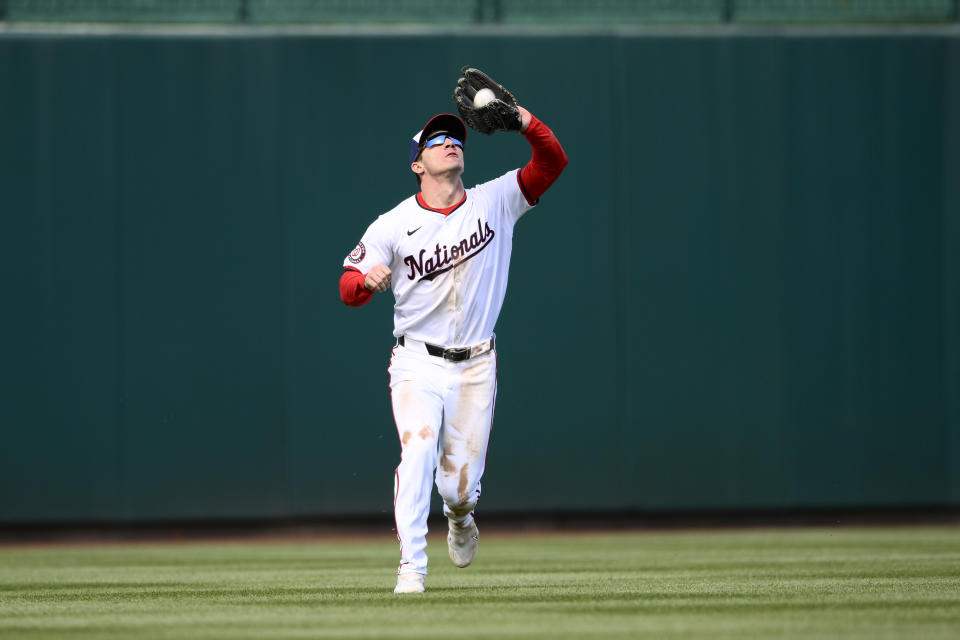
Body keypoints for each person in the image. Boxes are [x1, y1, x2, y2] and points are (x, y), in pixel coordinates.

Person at [339, 74, 567, 594]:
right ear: (418, 163)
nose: (450, 143)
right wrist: (364, 281)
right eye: (437, 140)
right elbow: (347, 284)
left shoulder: (496, 200)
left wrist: (524, 121)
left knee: (459, 487)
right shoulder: (392, 225)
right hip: (417, 361)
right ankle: (411, 569)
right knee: (417, 448)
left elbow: (553, 163)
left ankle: (460, 517)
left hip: (476, 364)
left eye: (456, 139)